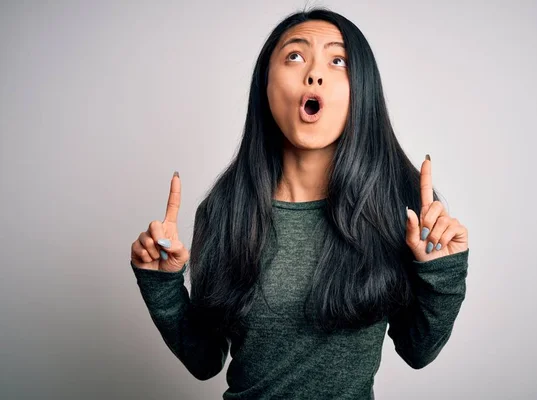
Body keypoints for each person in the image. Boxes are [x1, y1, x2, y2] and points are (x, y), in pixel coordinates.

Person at [130, 7, 469, 399]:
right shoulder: (225, 210)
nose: (314, 73)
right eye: (295, 55)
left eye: (338, 60)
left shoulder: (398, 209)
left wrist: (441, 273)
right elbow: (205, 361)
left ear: (361, 89)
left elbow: (418, 350)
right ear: (266, 85)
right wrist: (162, 284)